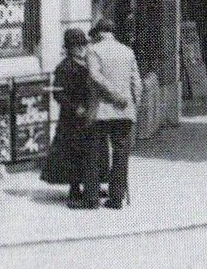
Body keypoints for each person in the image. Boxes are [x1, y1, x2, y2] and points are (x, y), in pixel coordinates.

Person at [85, 18, 141, 210]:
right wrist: (133, 106)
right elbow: (136, 84)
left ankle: (92, 198)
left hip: (101, 110)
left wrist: (113, 95)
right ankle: (116, 198)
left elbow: (94, 76)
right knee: (121, 154)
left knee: (93, 153)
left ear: (99, 34)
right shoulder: (128, 51)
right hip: (125, 111)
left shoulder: (94, 51)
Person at [52, 28, 98, 207]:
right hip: (71, 117)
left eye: (82, 45)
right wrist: (74, 107)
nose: (80, 49)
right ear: (69, 48)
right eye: (76, 46)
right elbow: (58, 95)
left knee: (90, 152)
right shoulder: (63, 68)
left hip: (89, 113)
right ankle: (74, 187)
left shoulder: (88, 64)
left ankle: (90, 185)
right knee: (72, 153)